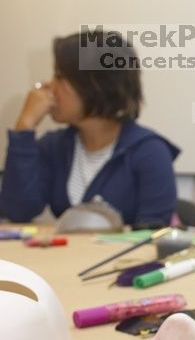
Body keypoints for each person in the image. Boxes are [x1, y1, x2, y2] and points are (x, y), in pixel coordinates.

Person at [1, 31, 178, 227]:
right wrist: (24, 127)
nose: (49, 86)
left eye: (59, 76)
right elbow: (18, 211)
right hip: (67, 257)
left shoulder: (149, 152)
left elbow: (153, 233)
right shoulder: (54, 146)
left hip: (125, 258)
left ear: (94, 85)